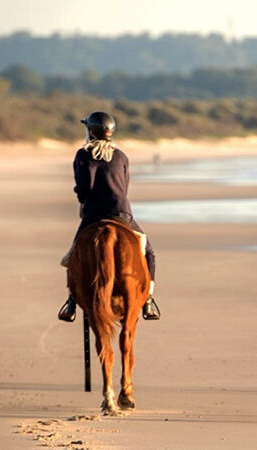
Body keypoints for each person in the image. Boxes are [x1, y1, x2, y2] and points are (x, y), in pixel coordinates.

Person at [58, 111, 161, 322]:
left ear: (90, 131)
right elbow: (124, 187)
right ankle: (148, 300)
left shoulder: (83, 155)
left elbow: (82, 189)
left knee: (74, 255)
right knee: (148, 252)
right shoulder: (121, 156)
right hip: (121, 213)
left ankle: (71, 302)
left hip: (93, 215)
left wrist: (84, 200)